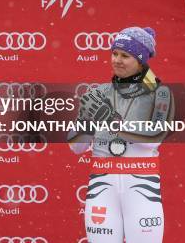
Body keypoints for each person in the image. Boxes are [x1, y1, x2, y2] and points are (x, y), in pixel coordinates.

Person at [68, 26, 175, 243]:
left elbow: (154, 137)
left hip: (142, 188)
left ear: (141, 60)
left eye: (125, 55)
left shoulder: (160, 93)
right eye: (114, 53)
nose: (116, 60)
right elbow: (76, 146)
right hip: (102, 187)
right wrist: (86, 121)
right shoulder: (97, 93)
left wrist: (108, 119)